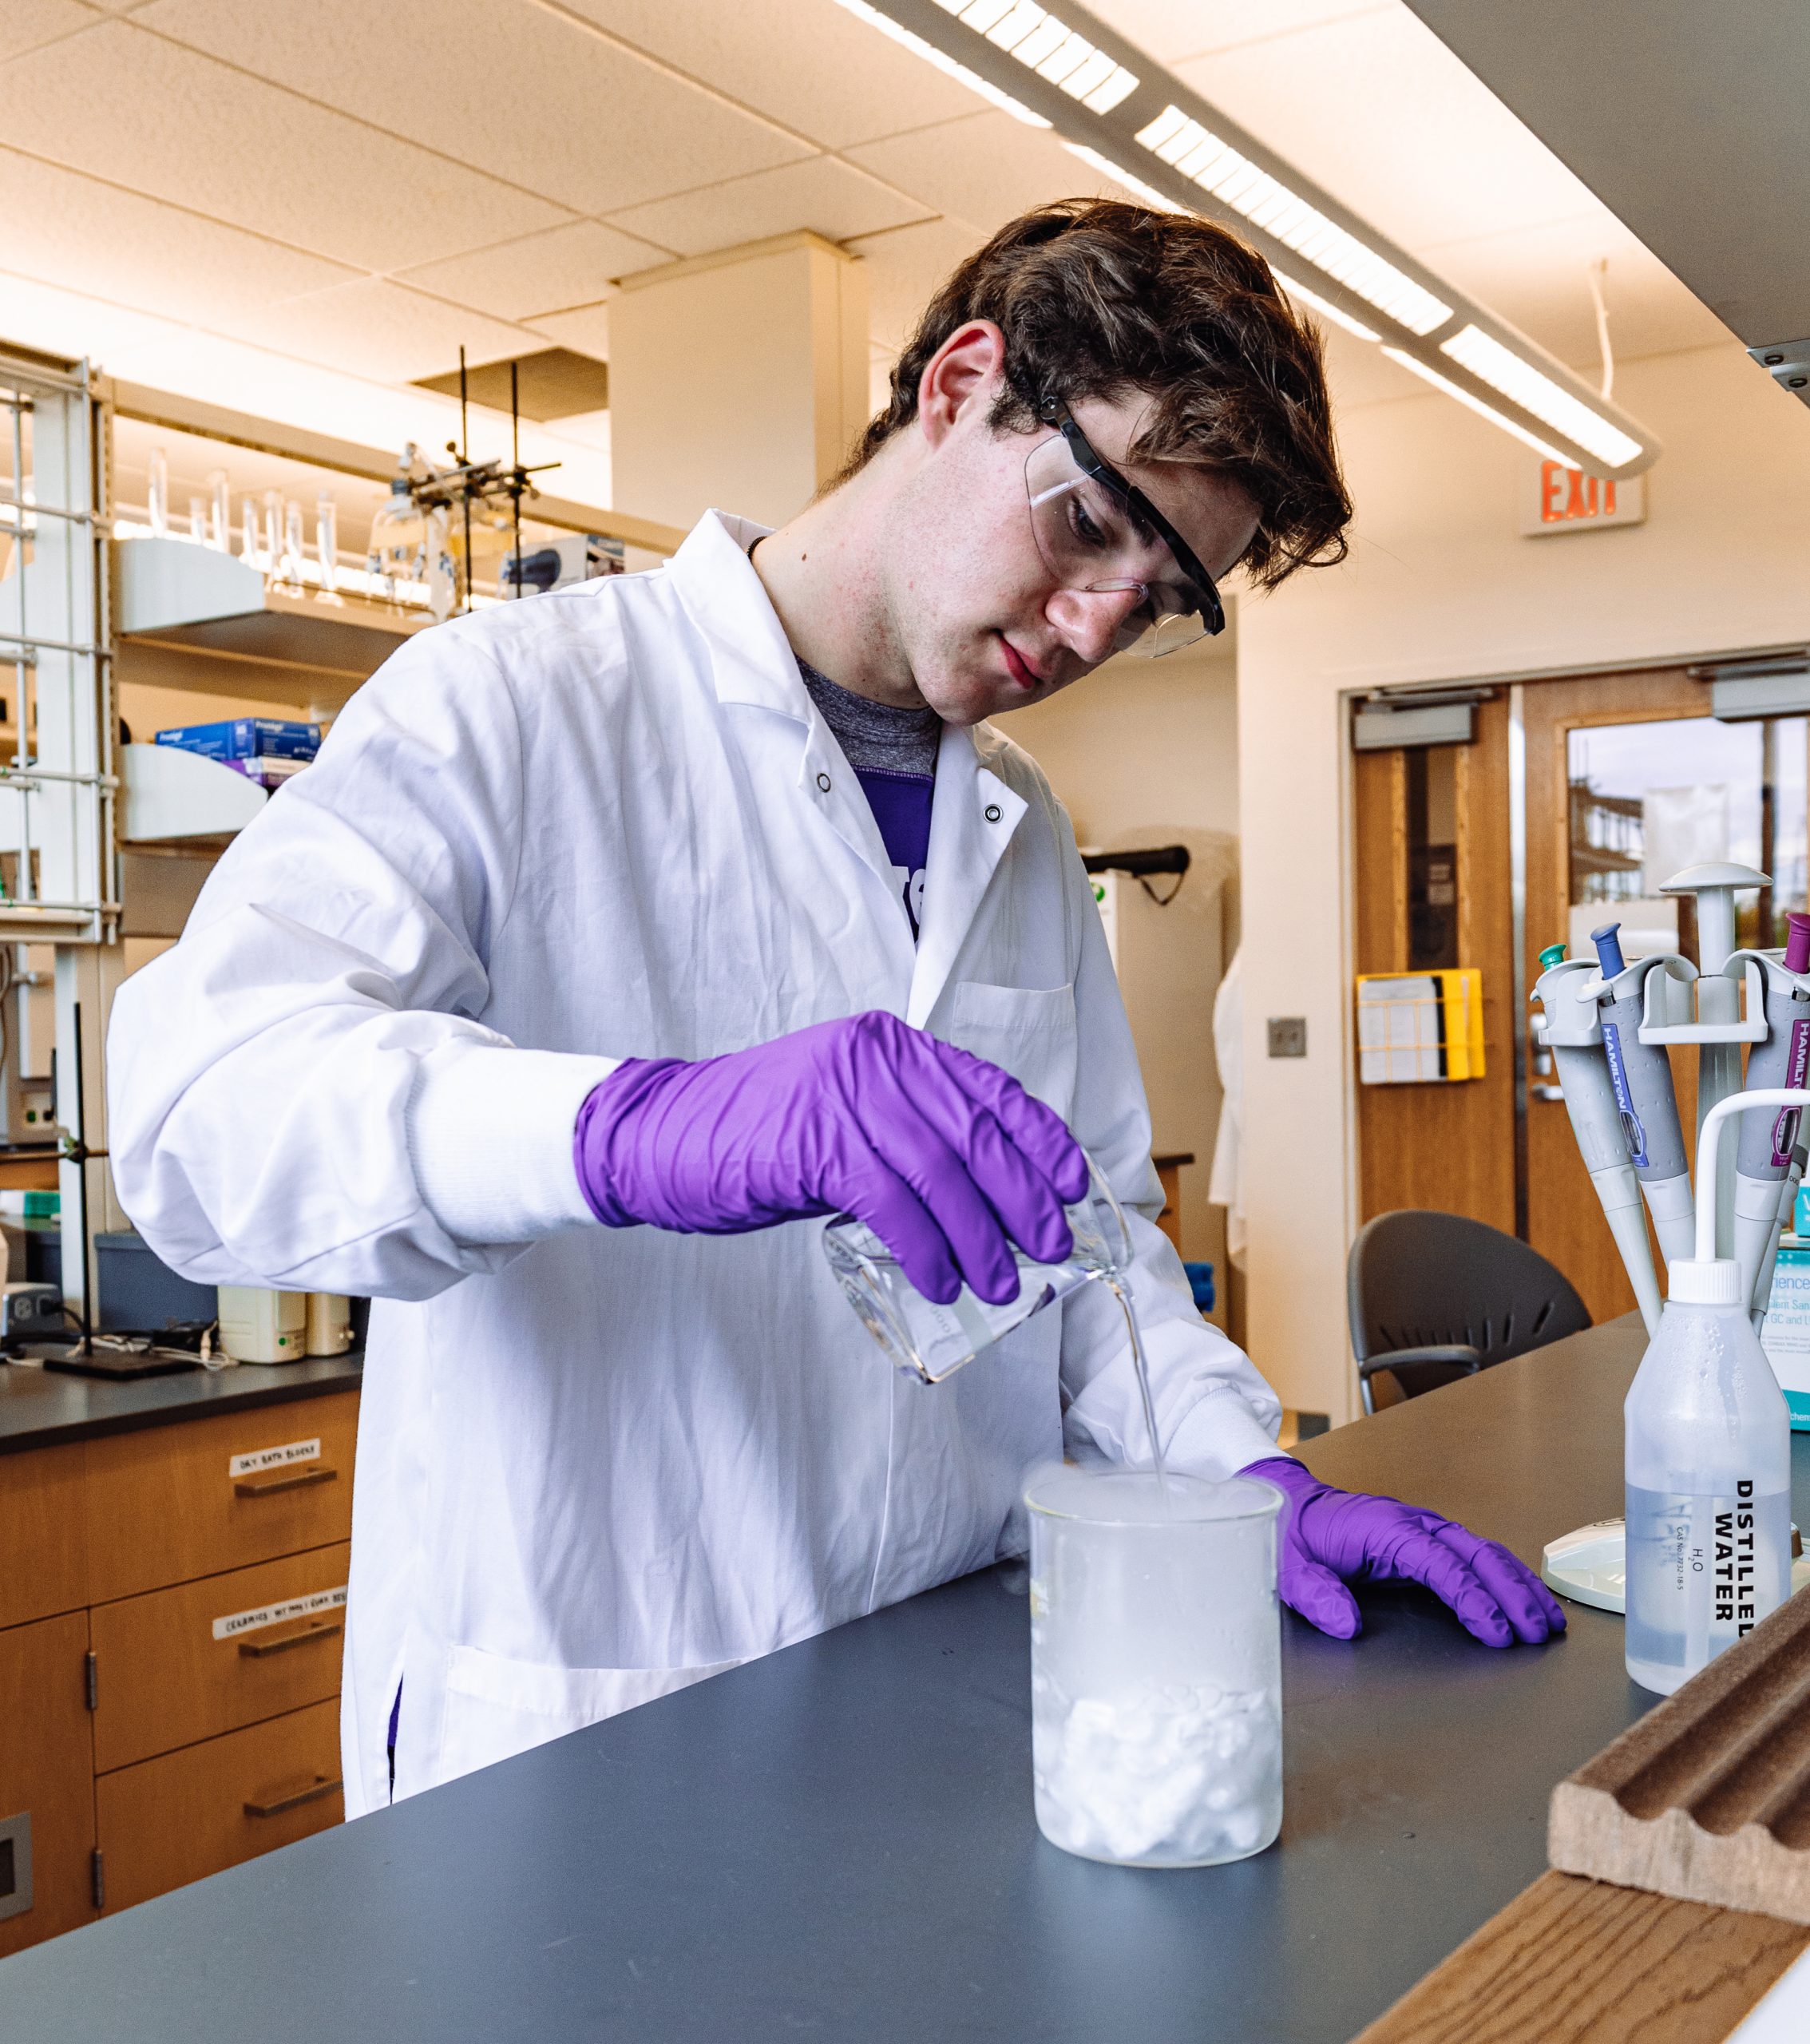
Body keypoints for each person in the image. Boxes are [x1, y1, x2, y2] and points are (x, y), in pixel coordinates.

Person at [109, 201, 1561, 1817]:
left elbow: (1087, 1249)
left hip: (940, 1702)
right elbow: (197, 1111)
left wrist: (1244, 1477)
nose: (1094, 625)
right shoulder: (517, 706)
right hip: (591, 1728)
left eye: (1155, 597)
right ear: (959, 383)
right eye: (1091, 523)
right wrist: (627, 1127)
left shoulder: (1019, 828)